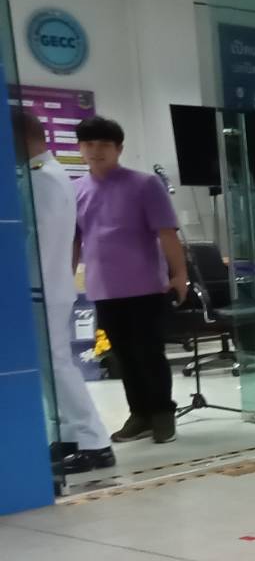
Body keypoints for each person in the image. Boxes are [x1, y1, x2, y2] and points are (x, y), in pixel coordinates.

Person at [73, 116, 187, 445]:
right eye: (89, 144)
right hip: (103, 290)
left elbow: (167, 233)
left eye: (104, 145)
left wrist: (179, 274)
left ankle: (163, 413)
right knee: (122, 355)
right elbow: (74, 239)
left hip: (146, 288)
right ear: (80, 149)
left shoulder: (144, 184)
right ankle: (140, 414)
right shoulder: (76, 189)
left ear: (119, 148)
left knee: (149, 352)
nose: (96, 151)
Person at [15, 111, 113, 474]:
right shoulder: (43, 175)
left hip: (42, 283)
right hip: (45, 283)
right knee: (49, 365)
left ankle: (93, 441)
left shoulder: (42, 178)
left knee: (56, 364)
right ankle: (70, 435)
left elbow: (31, 237)